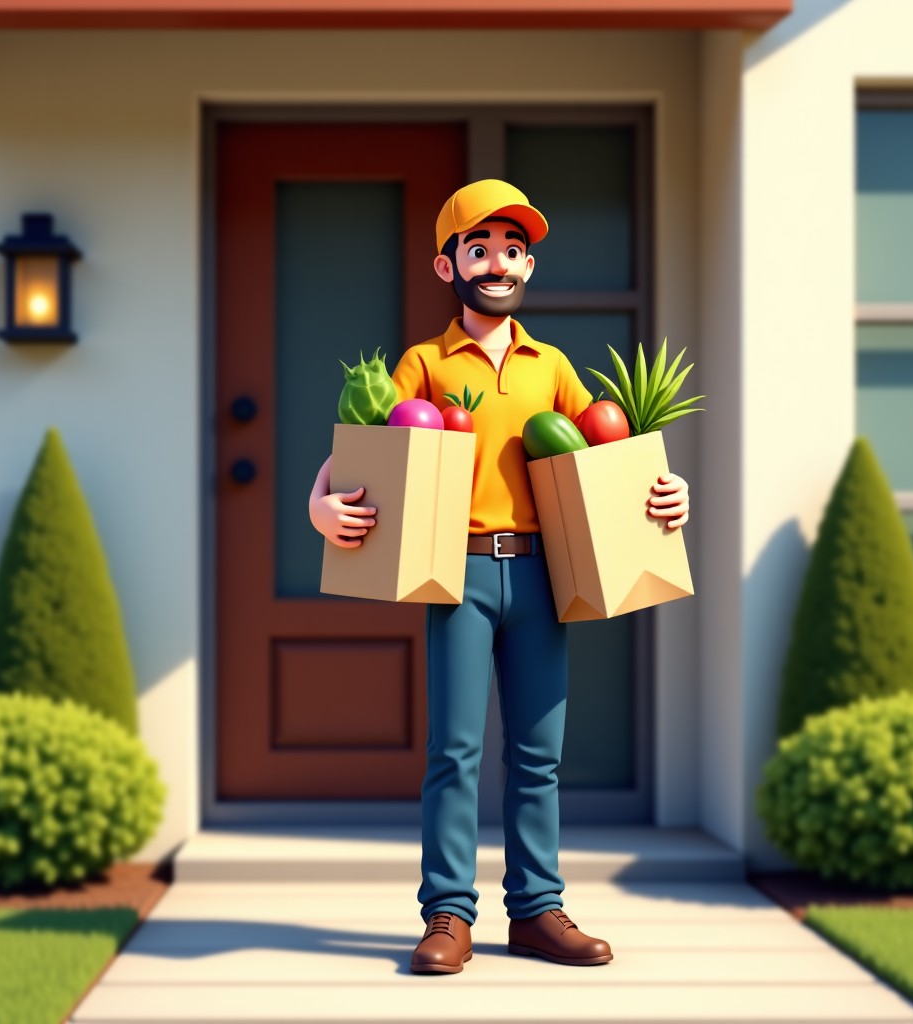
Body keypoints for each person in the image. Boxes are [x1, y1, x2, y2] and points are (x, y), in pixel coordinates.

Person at [309, 179, 690, 975]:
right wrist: (321, 508)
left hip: (543, 577)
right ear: (446, 265)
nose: (498, 262)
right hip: (459, 577)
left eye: (513, 249)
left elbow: (603, 448)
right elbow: (360, 455)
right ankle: (448, 915)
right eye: (479, 248)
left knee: (538, 754)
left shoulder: (550, 367)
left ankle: (538, 910)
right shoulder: (423, 362)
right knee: (454, 751)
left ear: (529, 265)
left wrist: (667, 493)